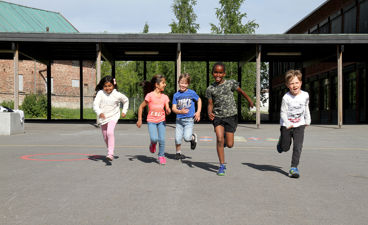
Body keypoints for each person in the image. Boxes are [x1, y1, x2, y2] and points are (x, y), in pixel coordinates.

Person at [206, 62, 254, 176]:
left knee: (230, 144)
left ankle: (223, 142)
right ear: (212, 73)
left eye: (220, 72)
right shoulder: (210, 88)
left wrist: (250, 100)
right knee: (219, 138)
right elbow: (210, 103)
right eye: (215, 72)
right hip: (218, 117)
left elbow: (241, 92)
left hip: (231, 116)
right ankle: (222, 165)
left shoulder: (230, 83)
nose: (218, 74)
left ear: (224, 73)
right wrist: (209, 112)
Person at [276, 69, 311, 178]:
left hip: (299, 124)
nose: (294, 85)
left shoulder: (305, 95)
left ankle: (293, 168)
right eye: (291, 83)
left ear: (300, 83)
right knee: (286, 148)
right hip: (286, 125)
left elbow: (306, 107)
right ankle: (281, 142)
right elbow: (283, 112)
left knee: (298, 146)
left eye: (296, 82)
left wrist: (308, 119)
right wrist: (286, 123)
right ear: (287, 85)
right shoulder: (286, 98)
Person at [136, 74, 171, 165]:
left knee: (162, 139)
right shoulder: (150, 95)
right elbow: (141, 107)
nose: (165, 84)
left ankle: (161, 156)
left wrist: (168, 110)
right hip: (151, 121)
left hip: (161, 121)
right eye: (163, 83)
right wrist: (139, 120)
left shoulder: (165, 97)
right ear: (156, 84)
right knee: (154, 138)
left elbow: (167, 108)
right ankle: (153, 144)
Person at [93, 75, 129, 161]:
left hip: (114, 116)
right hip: (103, 117)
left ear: (113, 85)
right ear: (102, 86)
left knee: (110, 132)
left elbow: (126, 100)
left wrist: (124, 111)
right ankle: (110, 149)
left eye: (110, 86)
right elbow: (95, 105)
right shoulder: (100, 93)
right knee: (106, 137)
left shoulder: (117, 94)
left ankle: (110, 154)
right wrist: (99, 112)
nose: (107, 88)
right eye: (105, 86)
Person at [172, 73, 202, 160]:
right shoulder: (176, 95)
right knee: (177, 138)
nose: (183, 85)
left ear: (188, 84)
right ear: (178, 82)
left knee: (186, 138)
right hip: (179, 120)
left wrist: (198, 112)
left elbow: (199, 100)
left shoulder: (191, 93)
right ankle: (178, 152)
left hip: (189, 120)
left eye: (185, 83)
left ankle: (193, 137)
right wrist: (179, 111)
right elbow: (173, 108)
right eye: (181, 82)